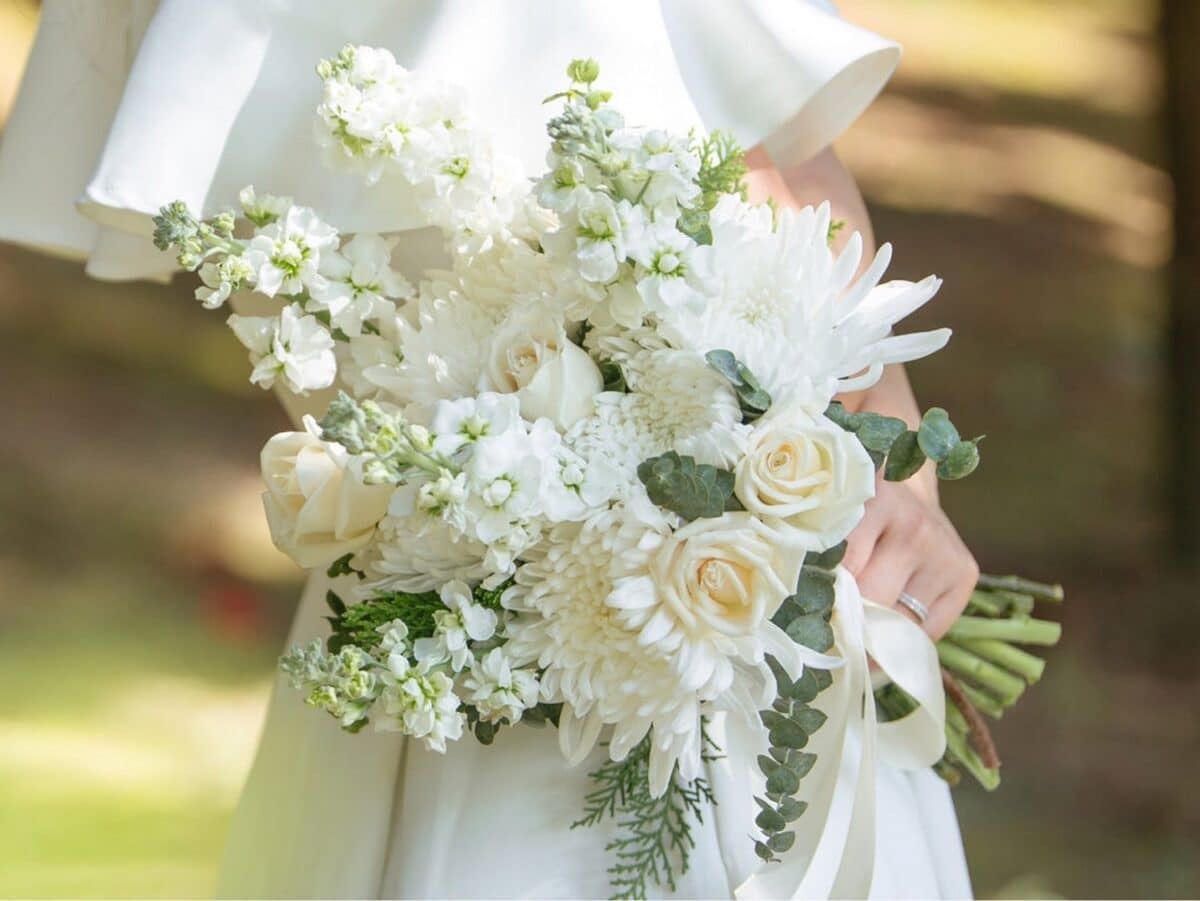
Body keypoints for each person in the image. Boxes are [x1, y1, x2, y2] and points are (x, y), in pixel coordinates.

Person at [0, 1, 978, 897]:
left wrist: (899, 477)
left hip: (782, 649)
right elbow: (332, 331)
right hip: (478, 690)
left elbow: (783, 159)